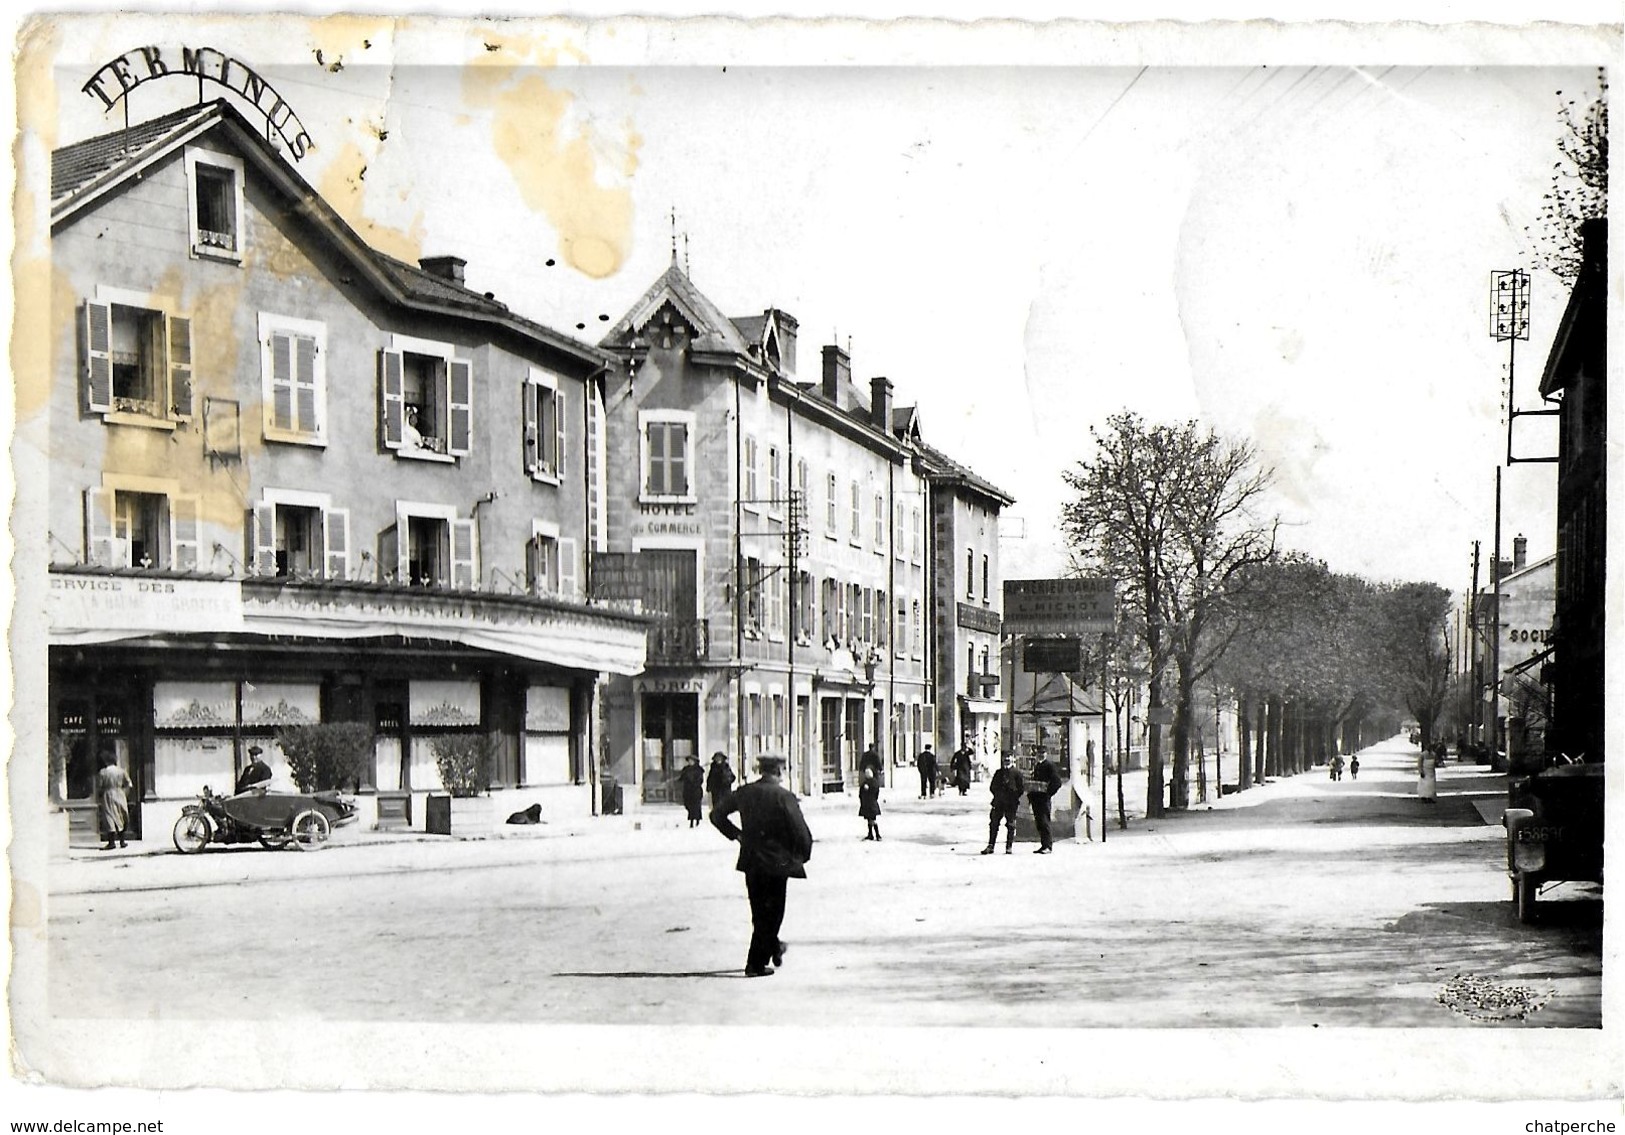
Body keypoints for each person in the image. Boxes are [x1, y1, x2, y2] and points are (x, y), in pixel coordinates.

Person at [710, 756, 814, 977]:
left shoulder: (744, 792)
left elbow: (716, 814)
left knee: (759, 912)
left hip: (752, 860)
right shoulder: (783, 796)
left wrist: (736, 835)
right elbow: (800, 830)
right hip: (778, 862)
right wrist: (803, 854)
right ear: (778, 771)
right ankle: (755, 964)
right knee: (774, 914)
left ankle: (773, 947)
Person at [980, 752, 1025, 855]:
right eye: (1005, 758)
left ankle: (1009, 846)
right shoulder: (998, 773)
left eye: (1009, 758)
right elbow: (992, 787)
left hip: (1011, 804)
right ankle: (991, 846)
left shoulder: (1017, 773)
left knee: (1010, 825)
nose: (1007, 760)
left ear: (1013, 759)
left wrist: (1013, 797)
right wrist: (998, 795)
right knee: (993, 824)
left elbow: (1021, 789)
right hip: (998, 803)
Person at [94, 750, 133, 851]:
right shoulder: (121, 771)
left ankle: (111, 842)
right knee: (122, 815)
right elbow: (129, 784)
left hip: (108, 794)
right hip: (120, 793)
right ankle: (122, 841)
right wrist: (124, 792)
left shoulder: (103, 772)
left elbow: (99, 786)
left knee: (109, 816)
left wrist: (100, 795)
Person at [1026, 749, 1063, 854]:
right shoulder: (1037, 765)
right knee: (1039, 823)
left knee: (1044, 822)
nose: (1040, 755)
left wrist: (1048, 793)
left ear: (1046, 754)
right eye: (1039, 754)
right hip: (1036, 798)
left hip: (1043, 799)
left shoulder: (1049, 766)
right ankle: (1043, 845)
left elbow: (1057, 782)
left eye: (1042, 753)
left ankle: (1048, 846)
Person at [677, 754, 706, 828]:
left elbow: (700, 780)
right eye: (689, 761)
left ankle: (694, 821)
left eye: (692, 761)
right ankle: (693, 819)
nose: (690, 762)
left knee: (695, 806)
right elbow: (682, 778)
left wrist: (693, 781)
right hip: (687, 791)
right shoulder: (686, 769)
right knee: (688, 805)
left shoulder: (698, 770)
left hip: (696, 791)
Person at [858, 768, 882, 841]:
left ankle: (877, 835)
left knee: (871, 820)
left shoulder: (866, 783)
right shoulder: (875, 782)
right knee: (871, 819)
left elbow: (861, 793)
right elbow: (876, 793)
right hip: (873, 803)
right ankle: (871, 834)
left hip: (868, 804)